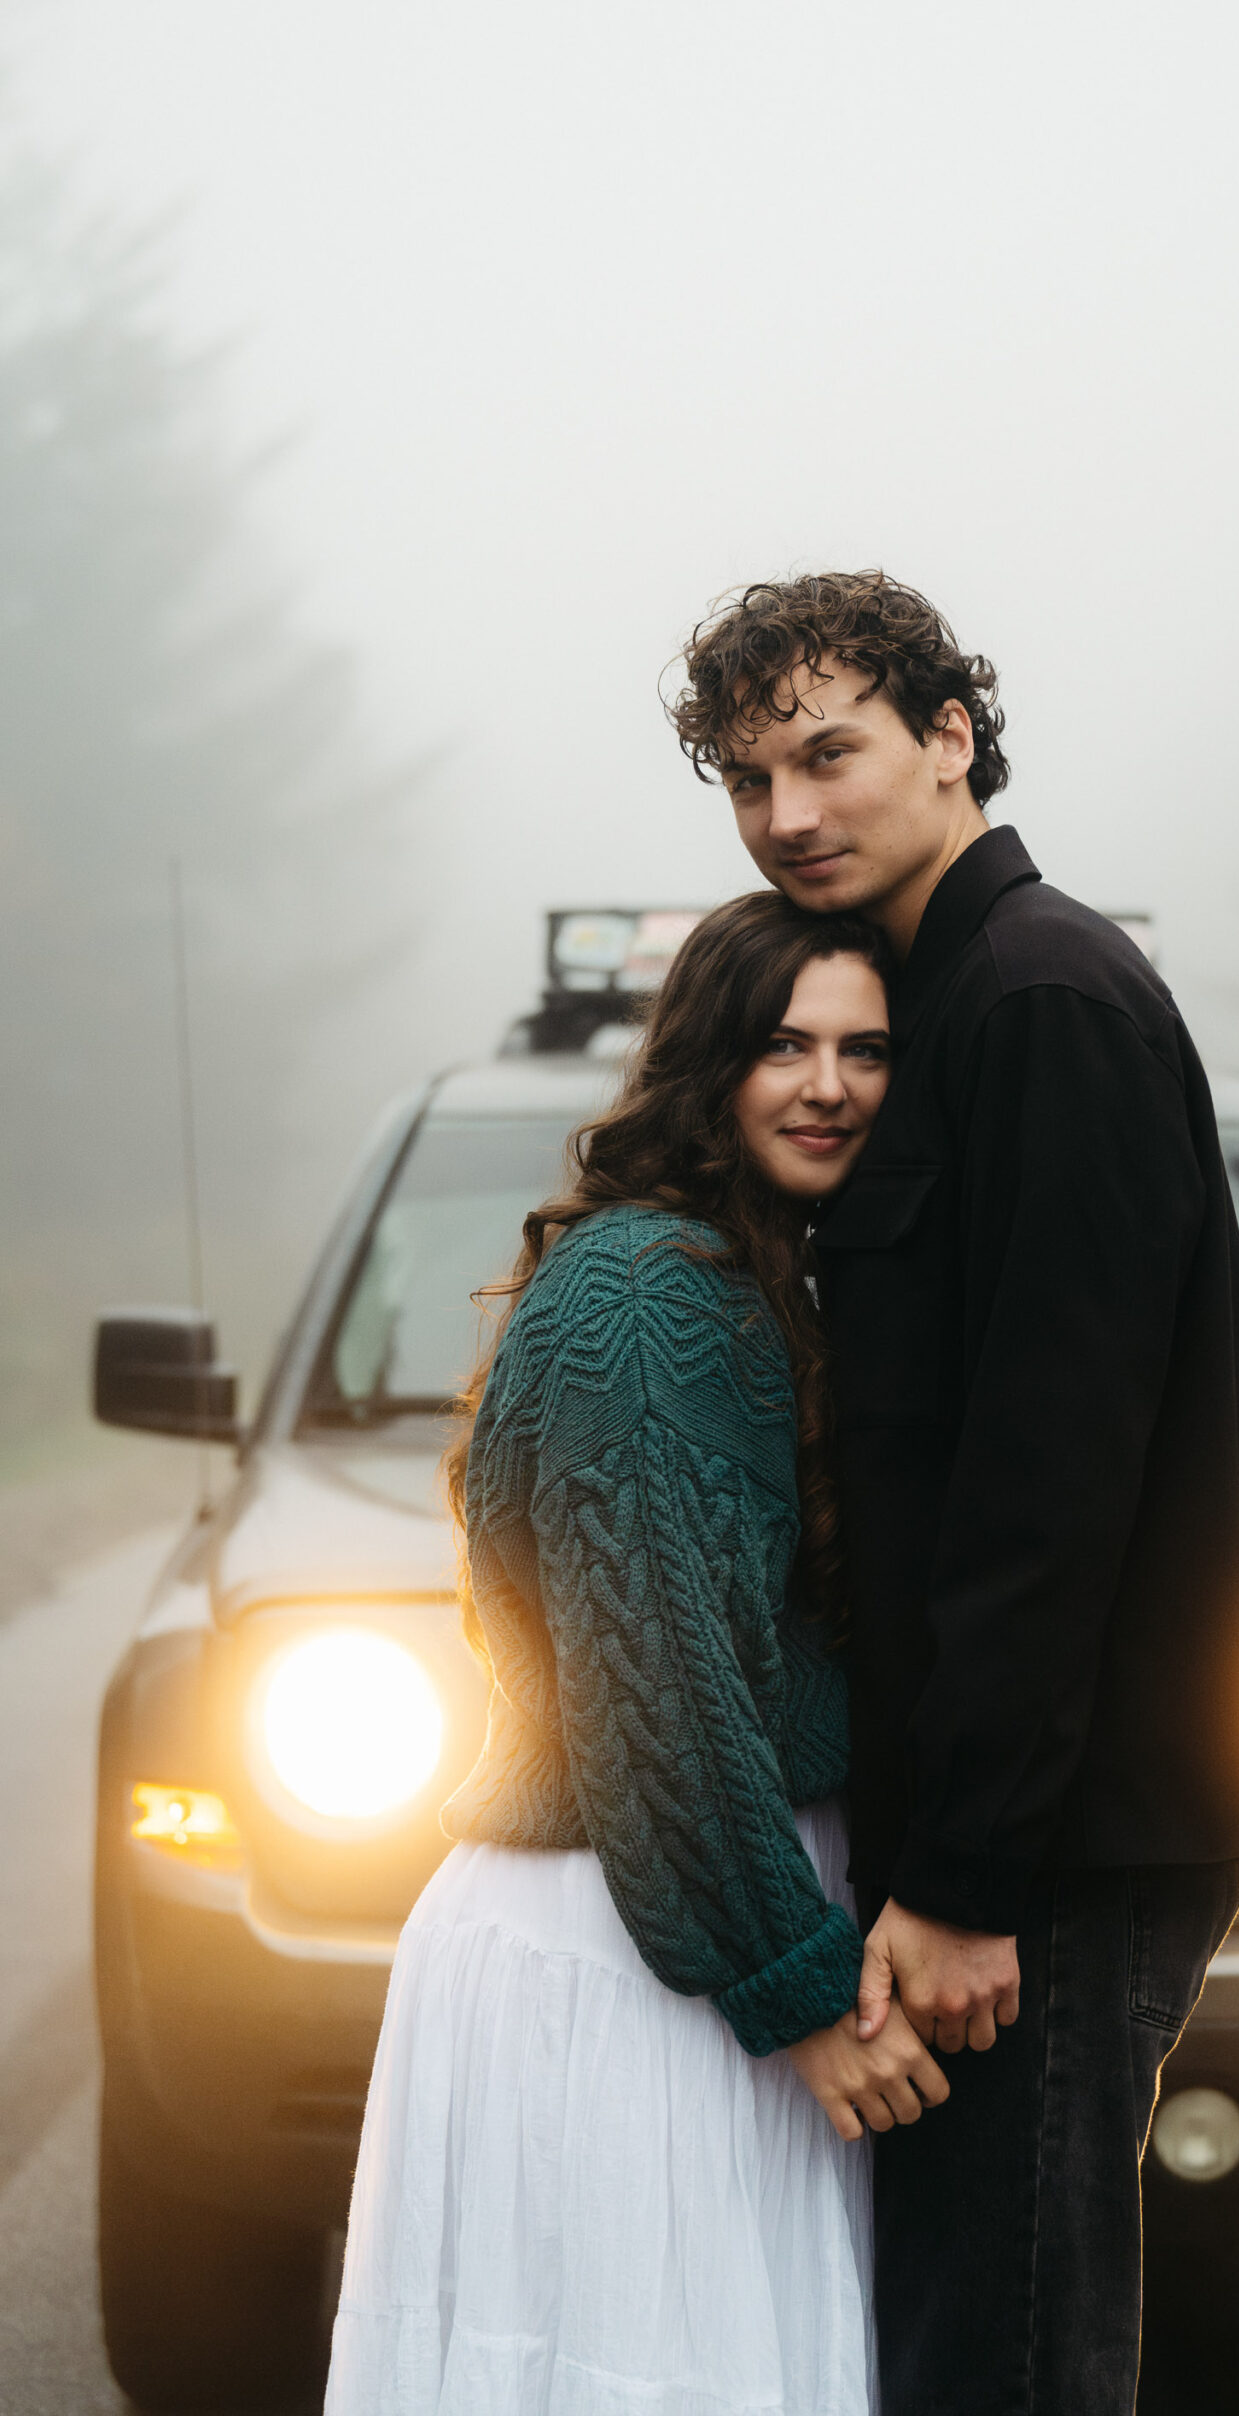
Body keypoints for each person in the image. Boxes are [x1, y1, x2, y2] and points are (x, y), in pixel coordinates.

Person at [670, 569, 1239, 2413]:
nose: (789, 813)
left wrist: (969, 1878)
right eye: (748, 780)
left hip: (1054, 1850)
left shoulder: (1040, 997)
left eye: (829, 754)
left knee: (1010, 2353)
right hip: (1003, 1834)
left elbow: (1048, 1483)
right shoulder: (932, 1001)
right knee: (958, 2337)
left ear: (950, 735)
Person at [325, 893, 948, 2416]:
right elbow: (659, 1693)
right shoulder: (654, 1300)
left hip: (682, 1932)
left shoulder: (753, 1274)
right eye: (785, 1045)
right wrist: (798, 1988)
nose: (829, 1086)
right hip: (635, 1957)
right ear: (707, 1063)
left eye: (867, 1051)